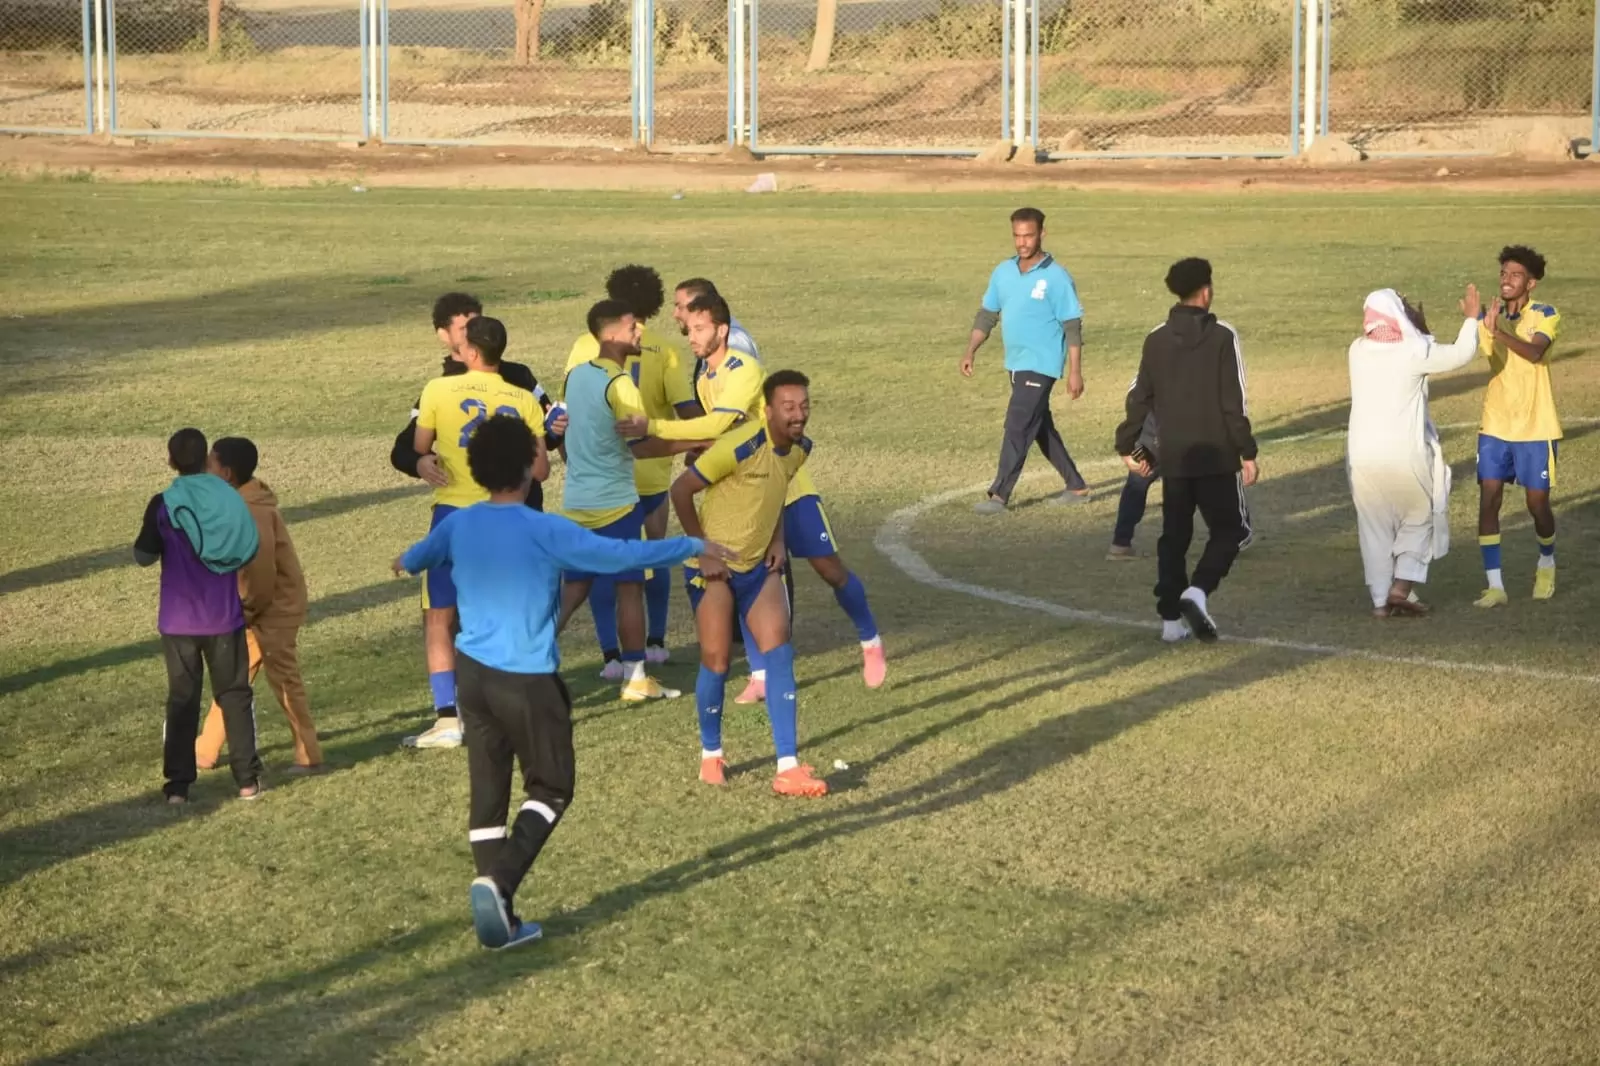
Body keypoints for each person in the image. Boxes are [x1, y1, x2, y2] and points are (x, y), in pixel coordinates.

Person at [392, 415, 727, 950]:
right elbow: (621, 556)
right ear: (531, 467)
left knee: (489, 793)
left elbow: (422, 554)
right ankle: (499, 884)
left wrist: (404, 560)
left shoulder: (460, 524)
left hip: (471, 677)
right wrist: (689, 545)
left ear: (477, 469)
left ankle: (500, 921)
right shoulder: (545, 530)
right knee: (551, 788)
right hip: (525, 679)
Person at [626, 288, 887, 700]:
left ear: (721, 330)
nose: (690, 335)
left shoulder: (743, 368)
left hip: (787, 486)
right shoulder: (705, 376)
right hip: (746, 493)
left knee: (829, 569)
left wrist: (653, 428)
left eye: (698, 328)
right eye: (689, 328)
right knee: (749, 572)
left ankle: (870, 639)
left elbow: (716, 426)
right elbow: (722, 437)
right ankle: (762, 676)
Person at [670, 370, 828, 798]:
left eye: (804, 406)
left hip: (758, 566)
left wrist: (777, 540)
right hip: (712, 569)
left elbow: (775, 493)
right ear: (768, 410)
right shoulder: (740, 446)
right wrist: (703, 550)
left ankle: (788, 767)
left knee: (779, 652)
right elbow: (680, 491)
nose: (798, 415)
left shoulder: (800, 450)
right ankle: (711, 754)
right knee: (717, 661)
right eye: (788, 407)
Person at [405, 316, 546, 749]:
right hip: (506, 518)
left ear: (470, 351)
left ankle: (448, 718)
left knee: (440, 615)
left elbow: (419, 447)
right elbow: (541, 469)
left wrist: (430, 458)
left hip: (454, 516)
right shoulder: (523, 399)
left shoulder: (438, 389)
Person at [562, 266, 699, 675]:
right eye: (633, 327)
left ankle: (609, 655)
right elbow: (679, 413)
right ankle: (651, 648)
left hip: (586, 487)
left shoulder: (581, 356)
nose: (638, 331)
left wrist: (571, 456)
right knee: (643, 567)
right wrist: (704, 439)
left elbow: (567, 415)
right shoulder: (660, 354)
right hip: (638, 481)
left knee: (587, 577)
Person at [1115, 257, 1258, 644]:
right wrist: (1247, 451)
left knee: (1174, 536)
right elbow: (1234, 403)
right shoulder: (1224, 336)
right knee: (1231, 530)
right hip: (1216, 454)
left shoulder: (1156, 339)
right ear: (1206, 291)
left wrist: (1126, 445)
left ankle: (1170, 620)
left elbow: (1139, 397)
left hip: (1174, 455)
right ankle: (1198, 590)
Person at [134, 428, 263, 803]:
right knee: (235, 696)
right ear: (206, 458)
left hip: (178, 621)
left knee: (182, 699)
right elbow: (247, 545)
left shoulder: (163, 505)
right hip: (224, 616)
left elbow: (143, 557)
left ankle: (178, 787)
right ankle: (247, 781)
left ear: (171, 461)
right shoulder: (228, 497)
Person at [1348, 287, 1484, 616]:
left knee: (1374, 528)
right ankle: (1401, 587)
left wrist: (1416, 327)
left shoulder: (1357, 350)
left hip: (1361, 457)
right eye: (1404, 304)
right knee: (1420, 515)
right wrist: (1471, 319)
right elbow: (1460, 354)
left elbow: (1413, 345)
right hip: (1403, 454)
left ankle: (1380, 603)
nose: (1409, 306)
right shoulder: (1413, 352)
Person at [195, 437, 325, 774]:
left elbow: (260, 571)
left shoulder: (249, 511)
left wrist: (248, 609)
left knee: (284, 682)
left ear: (226, 473)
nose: (205, 469)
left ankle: (308, 755)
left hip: (272, 608)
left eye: (210, 463)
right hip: (258, 606)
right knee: (233, 677)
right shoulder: (246, 502)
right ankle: (205, 751)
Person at [961, 206, 1090, 514]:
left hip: (1042, 364)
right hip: (1016, 363)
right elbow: (987, 315)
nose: (1022, 242)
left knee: (1017, 424)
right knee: (1039, 425)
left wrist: (1075, 371)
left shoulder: (1057, 277)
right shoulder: (1003, 272)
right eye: (1017, 236)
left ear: (1042, 234)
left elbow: (1072, 327)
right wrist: (970, 350)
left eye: (1028, 236)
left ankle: (999, 494)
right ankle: (1076, 486)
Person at [390, 292, 564, 510]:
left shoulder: (520, 376)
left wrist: (555, 431)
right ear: (443, 335)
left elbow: (543, 443)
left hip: (521, 504)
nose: (476, 333)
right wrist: (417, 463)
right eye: (465, 328)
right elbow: (404, 450)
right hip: (467, 506)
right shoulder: (439, 389)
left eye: (478, 324)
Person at [1474, 245, 1563, 607]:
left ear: (1531, 283)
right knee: (1489, 498)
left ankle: (1546, 562)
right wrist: (1478, 322)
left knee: (1537, 504)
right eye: (1503, 273)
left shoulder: (1545, 314)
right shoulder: (1489, 317)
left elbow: (1535, 352)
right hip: (1496, 423)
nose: (1507, 280)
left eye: (1515, 274)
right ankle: (1495, 586)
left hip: (1536, 426)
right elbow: (1478, 351)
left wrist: (1497, 331)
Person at [1106, 409, 1254, 561]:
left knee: (1139, 485)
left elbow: (1138, 403)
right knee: (1212, 481)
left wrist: (1133, 445)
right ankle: (1233, 537)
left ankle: (1121, 542)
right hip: (1186, 431)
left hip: (1154, 434)